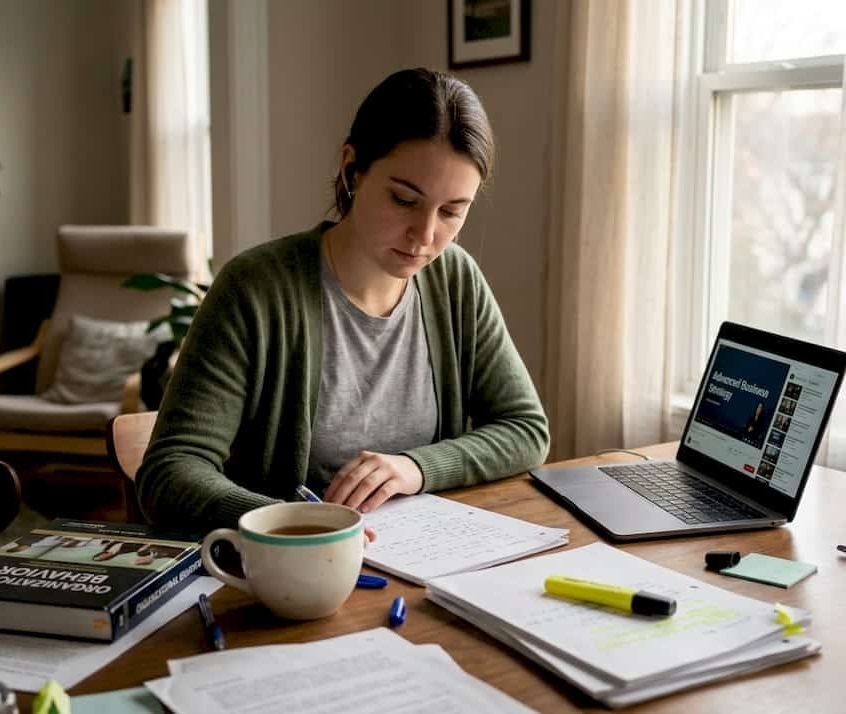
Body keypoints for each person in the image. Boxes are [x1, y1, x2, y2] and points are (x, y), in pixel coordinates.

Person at [137, 68, 550, 534]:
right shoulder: (255, 289)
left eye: (453, 211)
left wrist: (416, 468)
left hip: (418, 563)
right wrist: (295, 524)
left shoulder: (455, 280)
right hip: (287, 571)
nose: (427, 236)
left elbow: (526, 429)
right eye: (403, 199)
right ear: (353, 169)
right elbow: (169, 472)